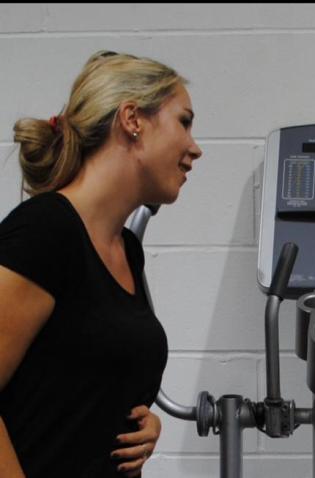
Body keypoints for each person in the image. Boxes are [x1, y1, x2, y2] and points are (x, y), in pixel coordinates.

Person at [0, 50, 202, 478]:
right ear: (132, 119)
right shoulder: (45, 231)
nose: (194, 148)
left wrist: (140, 421)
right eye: (183, 122)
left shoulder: (126, 247)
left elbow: (80, 379)